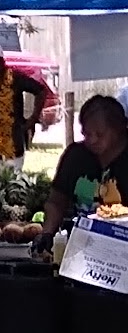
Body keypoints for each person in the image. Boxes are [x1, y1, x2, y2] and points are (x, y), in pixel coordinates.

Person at [40, 94, 128, 245]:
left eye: (99, 134)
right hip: (82, 244)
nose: (92, 140)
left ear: (119, 129)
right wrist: (47, 233)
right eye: (86, 134)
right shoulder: (75, 157)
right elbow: (57, 201)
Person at [0, 41, 48, 180]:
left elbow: (41, 91)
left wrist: (32, 119)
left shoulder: (14, 78)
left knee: (13, 180)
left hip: (12, 139)